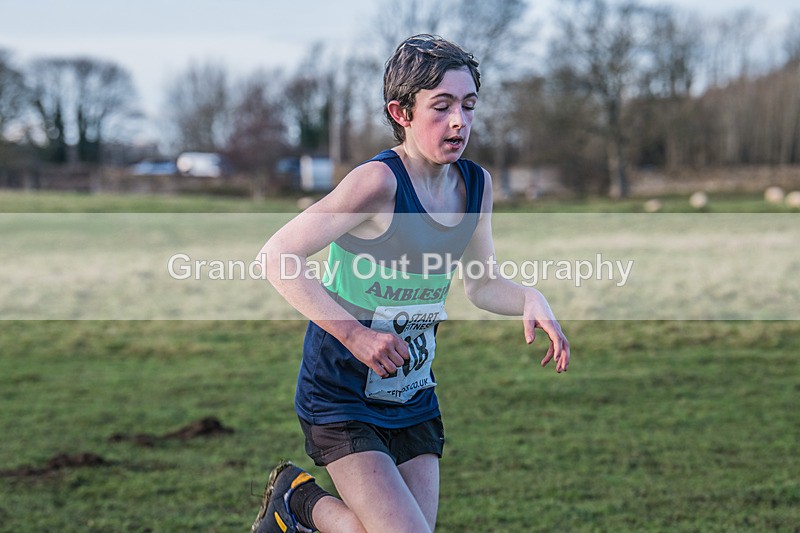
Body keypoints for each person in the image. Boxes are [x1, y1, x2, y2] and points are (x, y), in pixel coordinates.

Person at [252, 34, 570, 533]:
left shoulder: (475, 185)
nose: (459, 121)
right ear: (401, 112)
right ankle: (297, 506)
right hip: (341, 392)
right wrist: (356, 335)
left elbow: (482, 284)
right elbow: (277, 256)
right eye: (441, 107)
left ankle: (295, 506)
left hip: (412, 393)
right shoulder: (376, 184)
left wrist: (531, 297)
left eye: (468, 105)